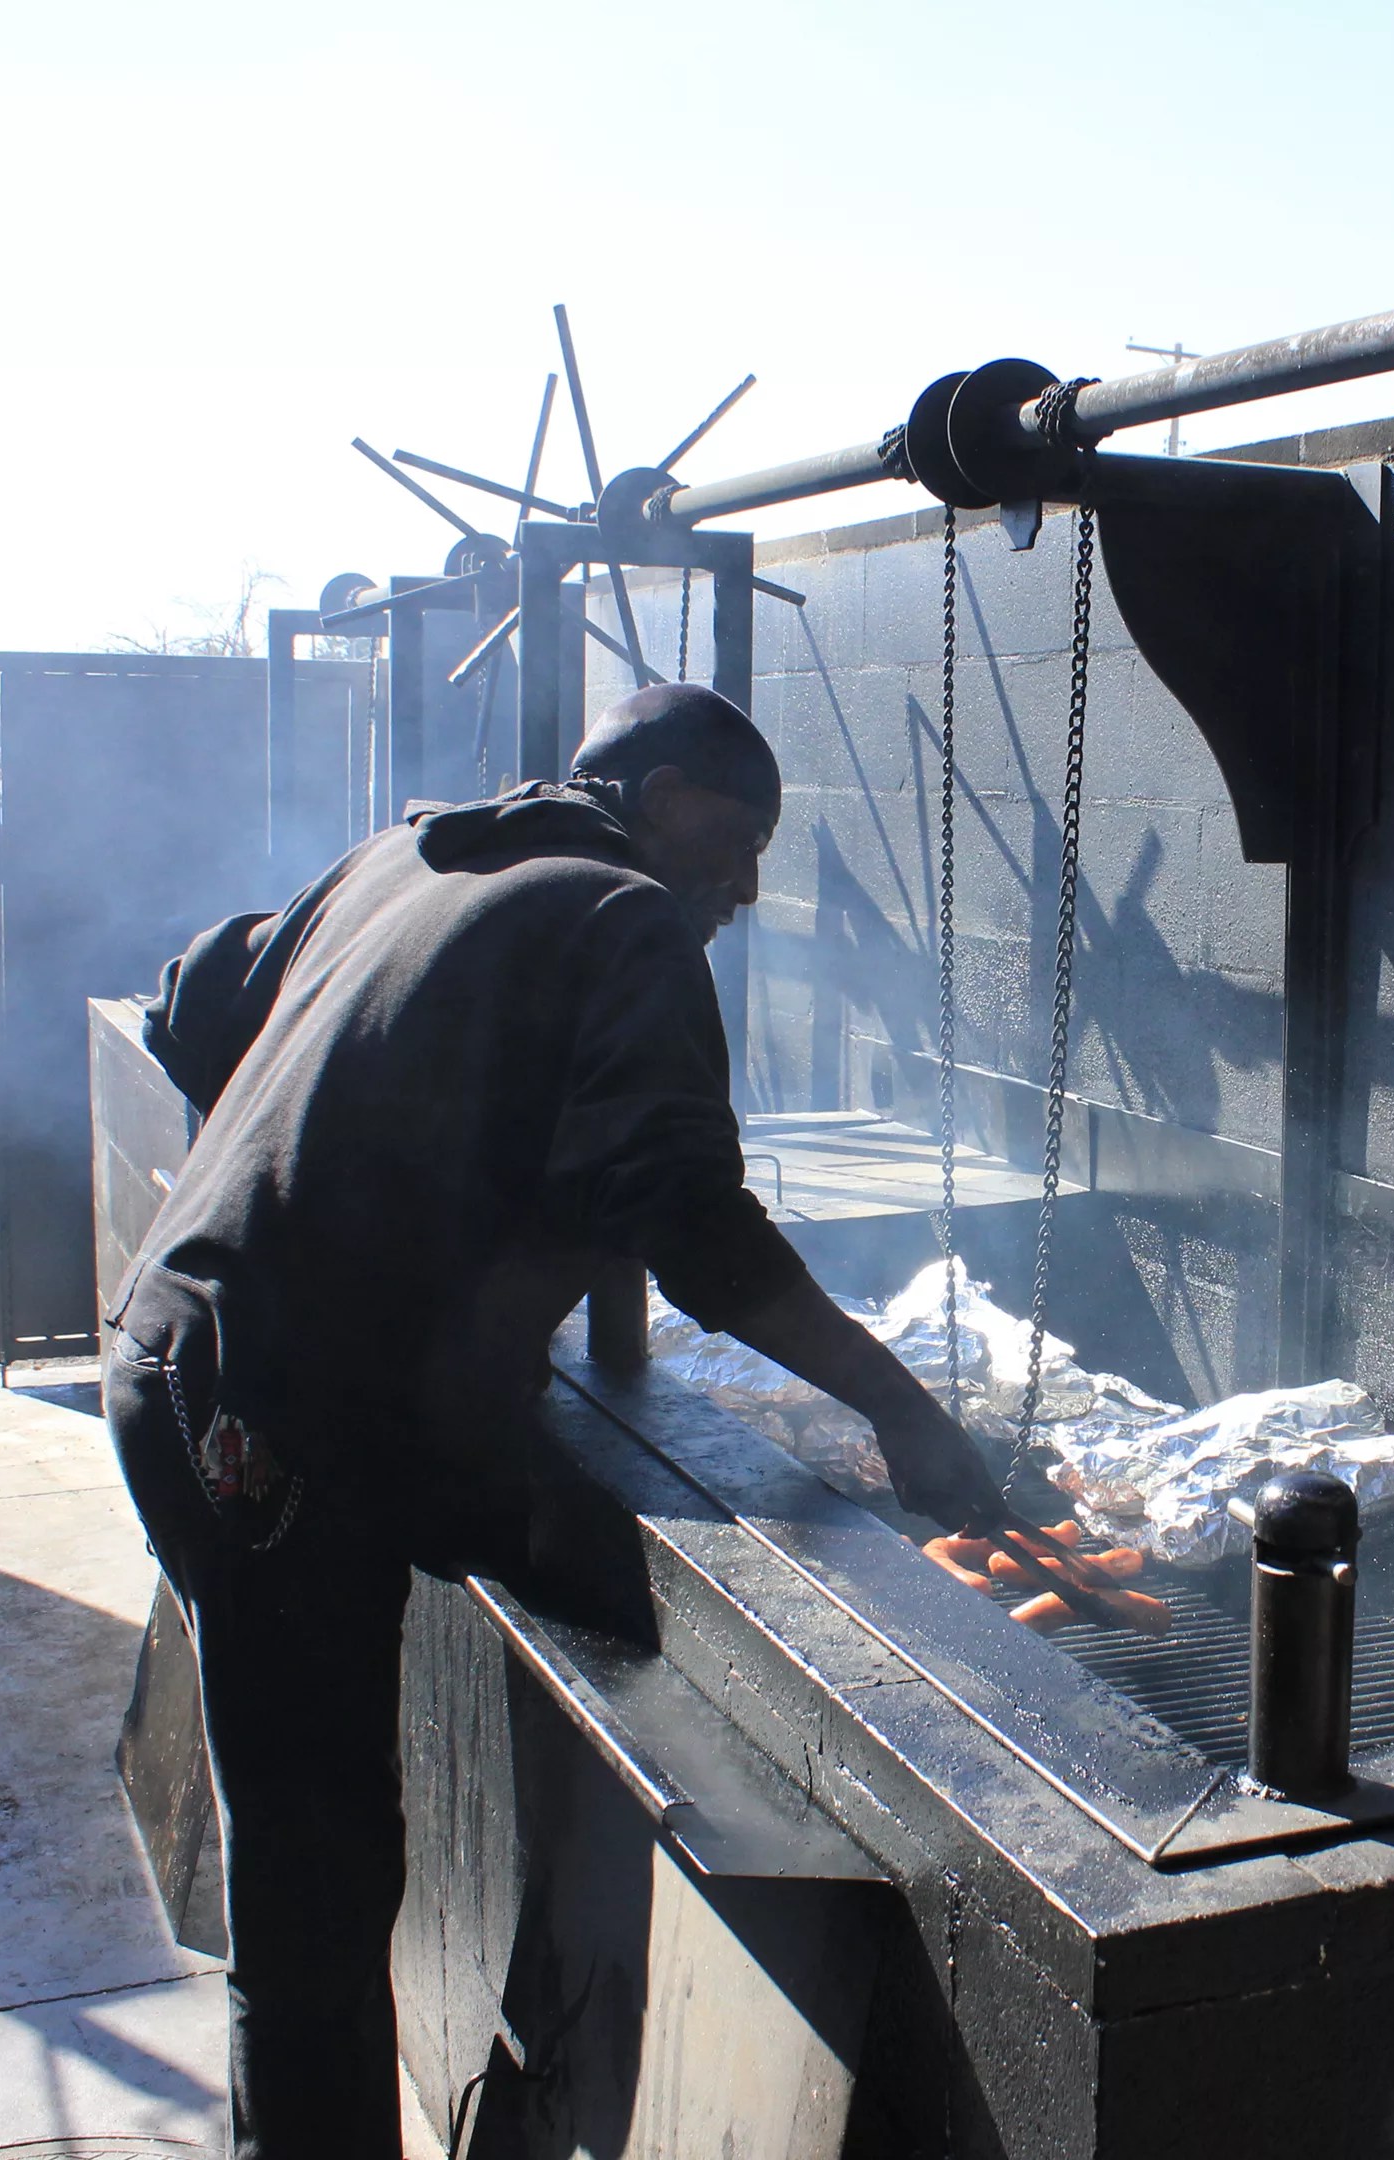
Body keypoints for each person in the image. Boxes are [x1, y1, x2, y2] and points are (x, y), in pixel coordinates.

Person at [103, 682, 997, 2157]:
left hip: (175, 1361)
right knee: (318, 1895)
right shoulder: (624, 916)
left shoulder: (414, 855)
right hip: (269, 1426)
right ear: (657, 795)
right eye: (739, 837)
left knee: (316, 1860)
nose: (747, 885)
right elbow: (691, 1221)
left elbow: (192, 999)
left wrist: (326, 1178)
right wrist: (902, 1409)